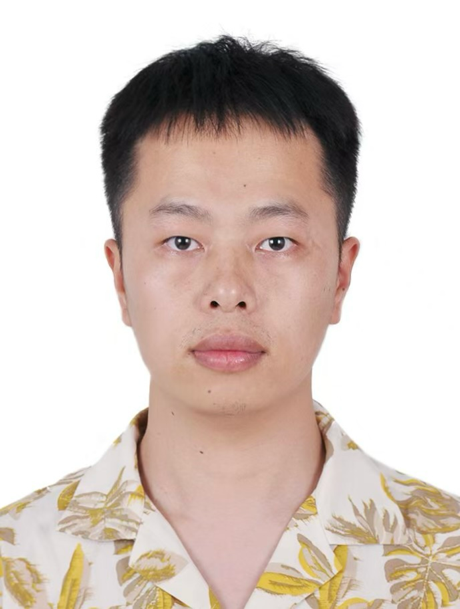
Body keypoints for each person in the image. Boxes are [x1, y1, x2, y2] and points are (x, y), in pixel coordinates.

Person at [1, 34, 459, 609]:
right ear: (120, 277)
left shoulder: (447, 559)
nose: (228, 291)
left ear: (340, 276)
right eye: (182, 240)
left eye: (276, 241)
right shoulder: (14, 565)